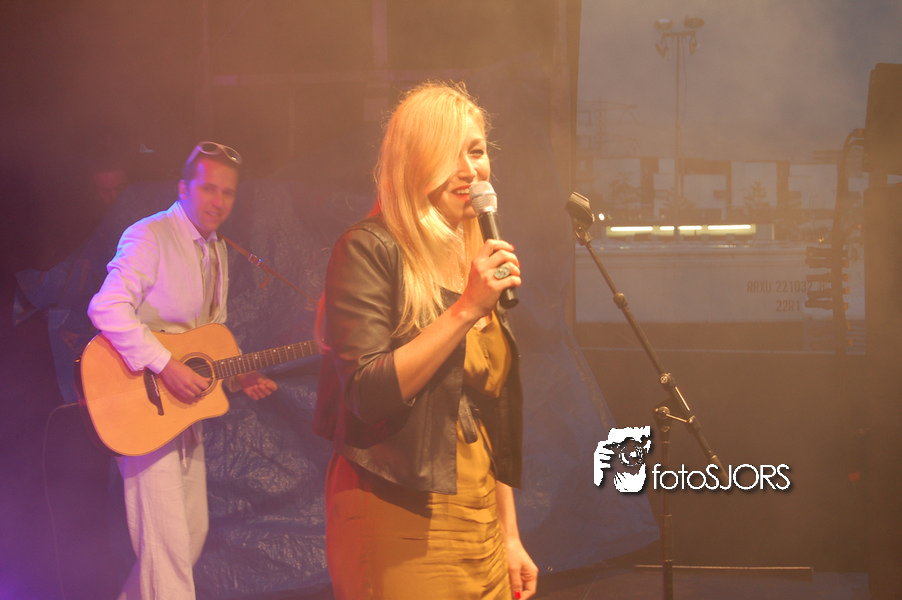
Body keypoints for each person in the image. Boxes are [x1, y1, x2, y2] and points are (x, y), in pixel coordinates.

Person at [314, 82, 538, 599]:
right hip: (396, 514)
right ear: (413, 162)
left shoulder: (473, 260)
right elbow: (367, 392)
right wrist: (466, 309)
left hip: (478, 517)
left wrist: (509, 535)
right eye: (449, 152)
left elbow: (486, 410)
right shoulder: (369, 249)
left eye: (476, 151)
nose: (470, 169)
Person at [87, 141, 277, 600]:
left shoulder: (216, 249)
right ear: (183, 188)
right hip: (141, 405)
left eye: (228, 193)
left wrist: (238, 374)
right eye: (209, 189)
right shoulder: (151, 235)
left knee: (188, 537)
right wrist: (166, 365)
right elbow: (106, 307)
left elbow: (209, 335)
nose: (218, 201)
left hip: (182, 412)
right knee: (167, 549)